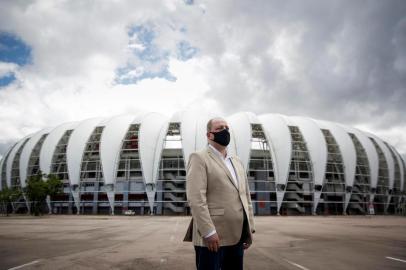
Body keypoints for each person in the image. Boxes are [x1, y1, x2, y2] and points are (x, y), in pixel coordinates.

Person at [183, 117, 255, 270]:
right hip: (213, 237)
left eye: (227, 128)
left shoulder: (236, 161)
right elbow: (196, 199)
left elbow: (245, 196)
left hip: (237, 236)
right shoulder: (199, 158)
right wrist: (208, 232)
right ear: (209, 135)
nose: (225, 131)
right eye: (220, 128)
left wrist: (248, 229)